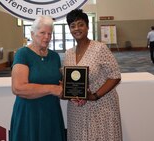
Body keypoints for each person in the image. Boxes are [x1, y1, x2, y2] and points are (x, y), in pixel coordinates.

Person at [64, 9, 122, 141]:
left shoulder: (99, 48)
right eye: (72, 26)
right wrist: (70, 95)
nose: (76, 28)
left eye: (80, 24)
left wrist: (94, 96)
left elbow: (115, 75)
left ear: (87, 27)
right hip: (77, 110)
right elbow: (68, 80)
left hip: (101, 106)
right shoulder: (69, 53)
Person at [10, 15, 65, 141]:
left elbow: (60, 84)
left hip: (51, 114)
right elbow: (18, 88)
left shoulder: (55, 56)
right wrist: (52, 89)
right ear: (32, 33)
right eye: (42, 33)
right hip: (29, 115)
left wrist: (72, 91)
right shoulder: (22, 54)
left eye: (49, 34)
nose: (46, 37)